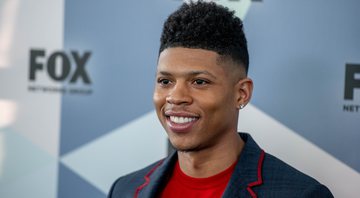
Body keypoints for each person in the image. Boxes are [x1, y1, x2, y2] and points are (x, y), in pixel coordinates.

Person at [108, 1, 333, 197]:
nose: (176, 97)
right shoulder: (125, 189)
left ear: (241, 93)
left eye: (199, 82)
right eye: (165, 81)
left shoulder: (301, 194)